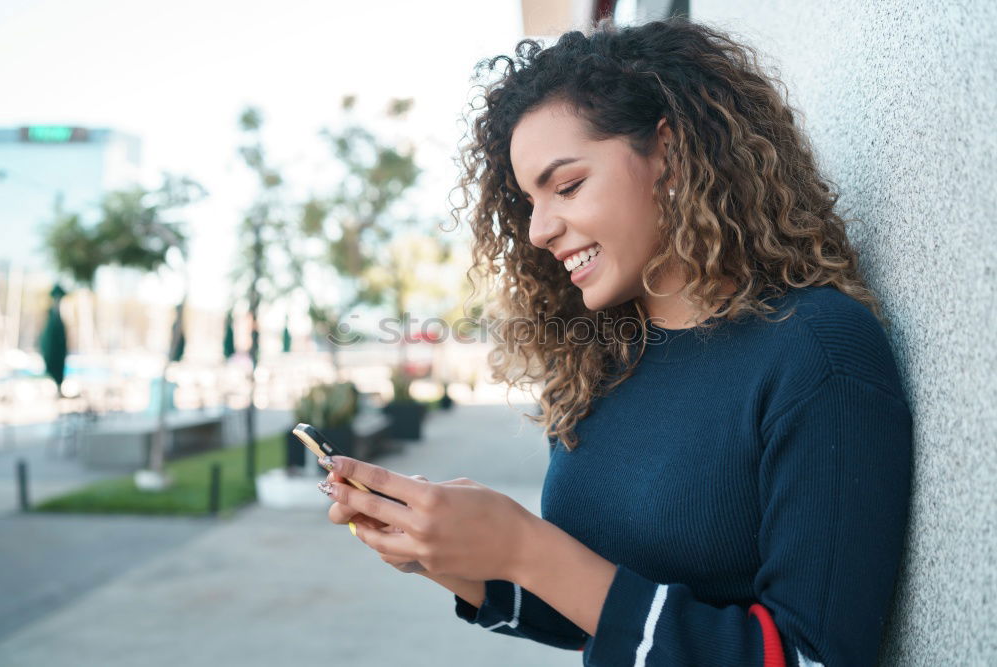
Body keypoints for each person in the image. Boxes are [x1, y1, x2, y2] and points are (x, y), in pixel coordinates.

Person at [317, 16, 913, 667]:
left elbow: (812, 657)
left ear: (670, 153)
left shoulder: (820, 356)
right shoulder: (604, 360)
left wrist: (525, 546)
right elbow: (606, 616)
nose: (540, 229)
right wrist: (451, 551)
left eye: (566, 185)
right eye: (529, 202)